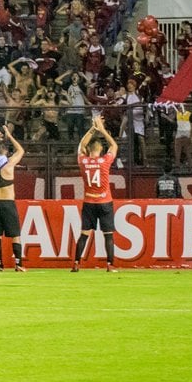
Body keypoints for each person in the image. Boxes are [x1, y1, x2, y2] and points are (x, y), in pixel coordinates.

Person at [73, 115, 119, 272]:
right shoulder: (105, 161)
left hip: (89, 202)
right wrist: (102, 129)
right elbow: (114, 146)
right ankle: (110, 265)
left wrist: (93, 128)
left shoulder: (83, 162)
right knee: (108, 235)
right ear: (100, 149)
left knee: (84, 235)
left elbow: (80, 146)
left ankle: (76, 264)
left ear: (89, 150)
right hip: (105, 202)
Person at [0, 124, 26, 271]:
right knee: (15, 235)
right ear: (5, 153)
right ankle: (18, 264)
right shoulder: (9, 165)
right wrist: (9, 136)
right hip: (8, 203)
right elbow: (21, 150)